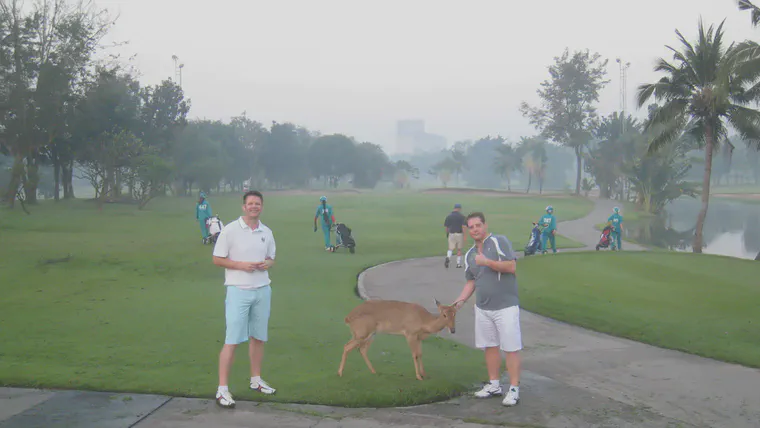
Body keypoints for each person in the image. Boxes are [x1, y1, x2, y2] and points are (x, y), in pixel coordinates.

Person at [211, 190, 277, 409]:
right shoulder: (230, 230)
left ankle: (256, 380)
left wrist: (266, 264)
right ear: (243, 207)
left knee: (258, 337)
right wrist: (241, 265)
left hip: (262, 290)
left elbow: (271, 258)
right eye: (250, 203)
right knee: (232, 340)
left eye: (257, 203)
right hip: (238, 290)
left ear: (262, 206)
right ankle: (222, 389)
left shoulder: (266, 232)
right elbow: (217, 259)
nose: (254, 207)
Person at [452, 212, 522, 407]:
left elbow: (511, 266)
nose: (475, 229)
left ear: (485, 225)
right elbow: (471, 281)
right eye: (471, 227)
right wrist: (459, 302)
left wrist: (487, 262)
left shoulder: (498, 241)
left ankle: (514, 389)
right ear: (468, 230)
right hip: (483, 308)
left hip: (505, 306)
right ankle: (494, 385)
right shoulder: (470, 255)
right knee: (489, 346)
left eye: (478, 225)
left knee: (510, 347)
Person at [443, 203, 468, 268]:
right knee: (459, 249)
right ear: (459, 209)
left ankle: (448, 257)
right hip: (459, 234)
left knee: (450, 248)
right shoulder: (462, 217)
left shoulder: (449, 216)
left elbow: (447, 227)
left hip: (451, 234)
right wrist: (465, 236)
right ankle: (458, 264)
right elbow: (464, 227)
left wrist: (447, 234)